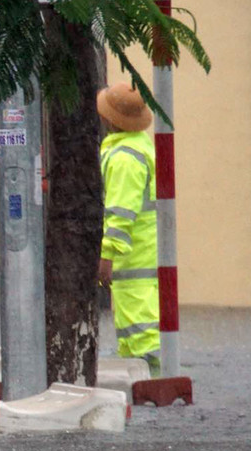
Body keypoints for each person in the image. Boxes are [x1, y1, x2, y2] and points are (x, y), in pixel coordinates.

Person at [96, 82, 161, 374]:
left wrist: (107, 256)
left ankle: (151, 385)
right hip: (142, 256)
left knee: (141, 338)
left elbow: (120, 214)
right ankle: (148, 381)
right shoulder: (140, 146)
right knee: (139, 330)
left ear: (110, 119)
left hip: (132, 260)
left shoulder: (124, 158)